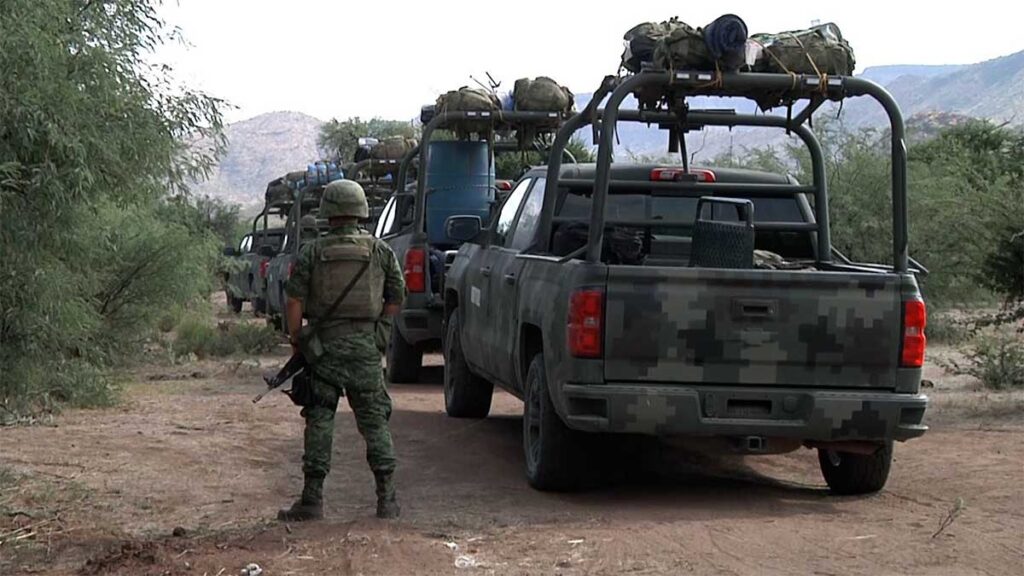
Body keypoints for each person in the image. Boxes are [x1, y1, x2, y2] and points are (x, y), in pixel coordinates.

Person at [279, 179, 406, 521]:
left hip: (324, 351)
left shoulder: (312, 251)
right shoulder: (381, 250)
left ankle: (312, 500)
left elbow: (294, 299)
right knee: (375, 421)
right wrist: (380, 331)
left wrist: (297, 338)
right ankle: (387, 500)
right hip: (366, 350)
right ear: (361, 211)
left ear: (328, 212)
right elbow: (396, 295)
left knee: (319, 417)